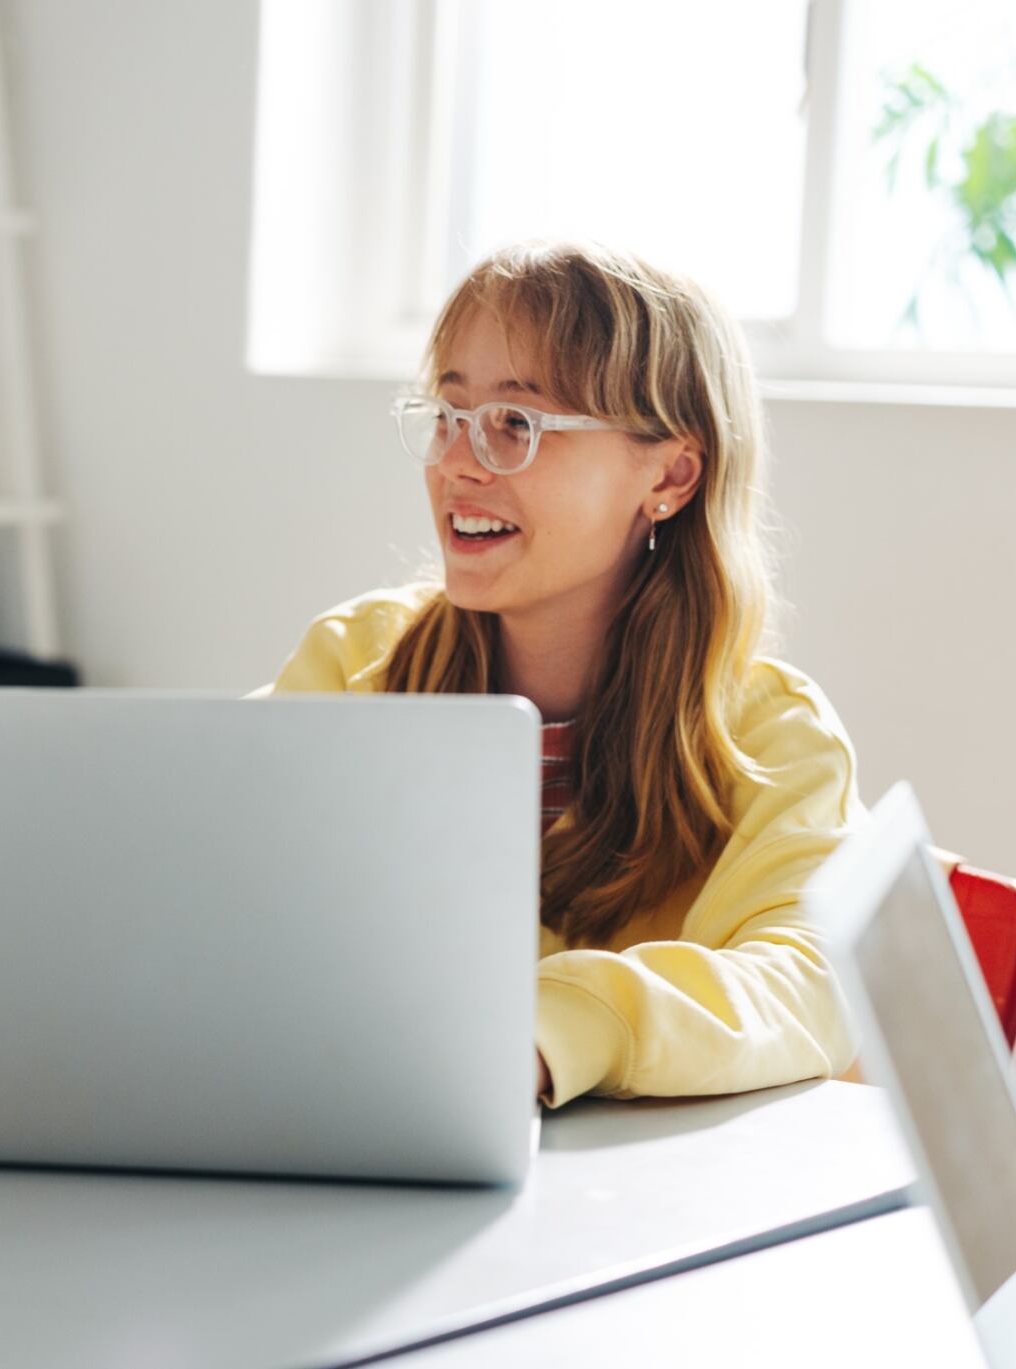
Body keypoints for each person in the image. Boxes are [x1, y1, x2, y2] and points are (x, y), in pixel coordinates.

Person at [266, 240, 858, 1107]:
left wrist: (556, 1031)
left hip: (650, 1207)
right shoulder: (356, 663)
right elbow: (230, 899)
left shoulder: (775, 740)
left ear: (671, 474)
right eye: (449, 413)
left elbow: (811, 982)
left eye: (517, 424)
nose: (458, 462)